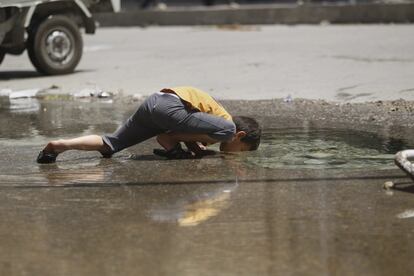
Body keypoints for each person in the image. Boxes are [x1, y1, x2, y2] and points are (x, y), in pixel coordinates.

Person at [36, 86, 261, 163]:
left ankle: (58, 146)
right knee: (225, 131)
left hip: (154, 103)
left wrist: (195, 148)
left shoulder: (213, 125)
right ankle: (170, 141)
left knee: (111, 144)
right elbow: (188, 125)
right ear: (240, 136)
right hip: (170, 106)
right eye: (241, 151)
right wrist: (176, 140)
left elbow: (190, 125)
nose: (236, 154)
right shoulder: (226, 126)